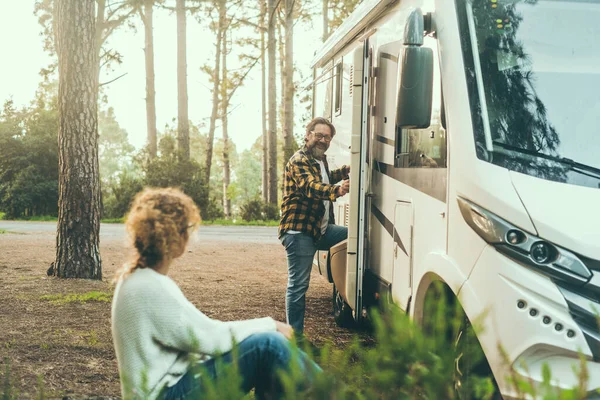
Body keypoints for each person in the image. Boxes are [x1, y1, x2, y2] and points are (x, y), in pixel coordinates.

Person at [111, 188, 320, 400]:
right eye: (189, 229)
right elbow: (209, 338)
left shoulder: (139, 279)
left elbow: (198, 340)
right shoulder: (148, 286)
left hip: (169, 389)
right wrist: (272, 325)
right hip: (165, 395)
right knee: (267, 344)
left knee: (266, 359)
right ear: (176, 236)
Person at [279, 117, 350, 335]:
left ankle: (346, 292)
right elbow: (310, 186)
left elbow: (329, 176)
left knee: (355, 237)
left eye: (327, 137)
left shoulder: (320, 161)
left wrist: (352, 167)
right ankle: (294, 339)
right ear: (308, 135)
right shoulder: (300, 160)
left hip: (320, 230)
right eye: (319, 135)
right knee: (298, 286)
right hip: (300, 231)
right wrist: (337, 191)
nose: (323, 140)